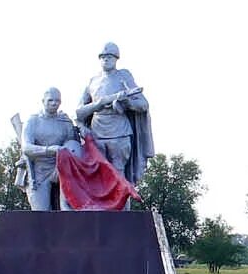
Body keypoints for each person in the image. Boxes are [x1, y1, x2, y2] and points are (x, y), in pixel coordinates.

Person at [75, 41, 153, 186]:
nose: (106, 59)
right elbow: (79, 112)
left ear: (116, 58)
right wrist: (97, 105)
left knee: (119, 175)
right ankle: (99, 208)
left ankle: (121, 208)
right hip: (97, 132)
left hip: (119, 132)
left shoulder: (124, 77)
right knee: (98, 174)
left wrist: (126, 103)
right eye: (103, 56)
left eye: (110, 56)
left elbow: (143, 104)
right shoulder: (93, 81)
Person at [16, 87, 79, 210]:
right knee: (41, 213)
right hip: (38, 171)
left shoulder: (65, 122)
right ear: (43, 101)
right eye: (50, 100)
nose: (54, 103)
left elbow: (74, 146)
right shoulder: (33, 121)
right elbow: (27, 148)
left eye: (57, 101)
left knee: (69, 209)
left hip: (61, 168)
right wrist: (50, 149)